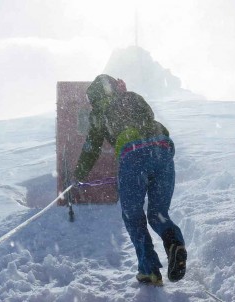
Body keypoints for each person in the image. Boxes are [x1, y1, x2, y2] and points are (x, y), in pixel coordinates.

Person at [74, 74, 186, 286]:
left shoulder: (99, 113)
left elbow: (91, 148)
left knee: (133, 215)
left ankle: (149, 270)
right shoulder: (133, 97)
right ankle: (174, 243)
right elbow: (148, 117)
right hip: (163, 150)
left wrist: (78, 175)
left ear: (95, 98)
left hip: (134, 154)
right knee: (158, 213)